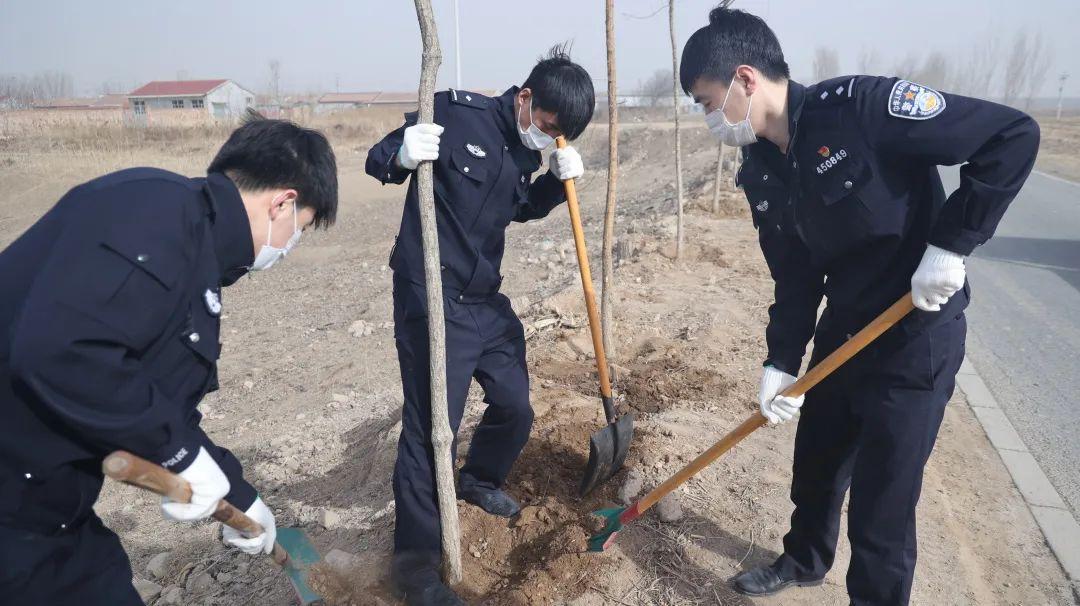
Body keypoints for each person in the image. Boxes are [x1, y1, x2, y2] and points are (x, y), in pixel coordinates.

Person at [680, 6, 1039, 606]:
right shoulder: (761, 169)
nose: (708, 117)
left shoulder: (863, 110)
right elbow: (794, 277)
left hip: (914, 334)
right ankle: (803, 560)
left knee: (883, 504)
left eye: (707, 101)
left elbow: (1011, 136)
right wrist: (780, 363)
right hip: (845, 331)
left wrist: (952, 245)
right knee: (816, 465)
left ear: (745, 78)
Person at [0, 115, 338, 605]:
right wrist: (179, 456)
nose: (289, 245)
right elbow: (61, 351)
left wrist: (241, 497)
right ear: (282, 203)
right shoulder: (155, 212)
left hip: (43, 506)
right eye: (300, 228)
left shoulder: (188, 246)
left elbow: (158, 404)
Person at [366, 46, 594, 605]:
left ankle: (479, 479)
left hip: (483, 298)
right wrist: (401, 153)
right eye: (546, 127)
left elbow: (516, 207)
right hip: (432, 294)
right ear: (525, 99)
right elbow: (377, 161)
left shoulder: (525, 151)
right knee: (428, 428)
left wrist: (554, 185)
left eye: (558, 137)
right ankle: (414, 566)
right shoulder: (453, 112)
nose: (546, 139)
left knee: (516, 403)